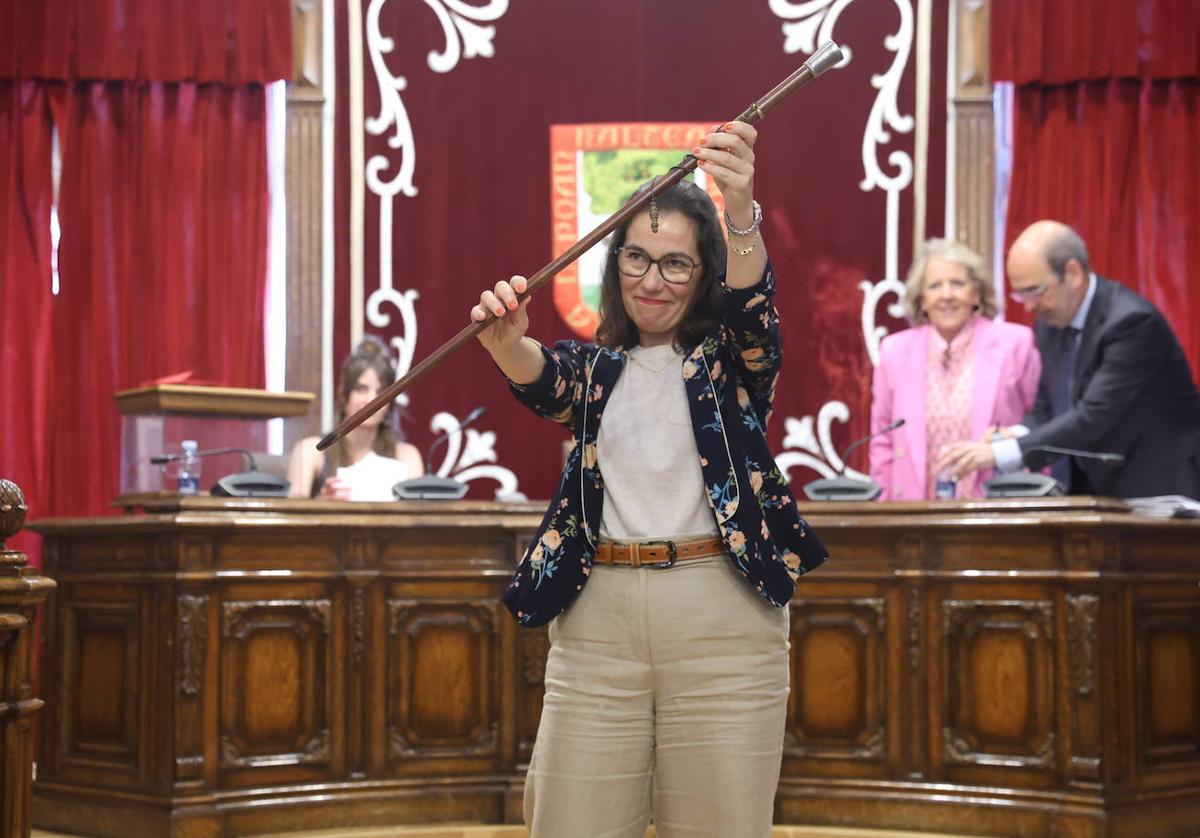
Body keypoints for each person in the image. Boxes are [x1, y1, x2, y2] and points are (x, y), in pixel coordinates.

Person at [469, 122, 828, 837]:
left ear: (704, 276)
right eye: (636, 258)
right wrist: (507, 346)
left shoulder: (729, 363)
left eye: (675, 265)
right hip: (597, 624)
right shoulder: (596, 371)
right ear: (614, 261)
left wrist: (742, 208)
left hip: (723, 617)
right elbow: (544, 378)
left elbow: (756, 323)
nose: (651, 281)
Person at [936, 220, 1200, 497]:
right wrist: (1016, 433)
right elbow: (1047, 408)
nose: (1028, 306)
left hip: (1161, 487)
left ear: (1072, 273)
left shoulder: (1131, 323)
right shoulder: (1050, 323)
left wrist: (999, 453)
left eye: (1035, 290)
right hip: (1099, 492)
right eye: (1020, 293)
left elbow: (1093, 417)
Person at [869, 239, 1040, 500]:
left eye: (958, 284)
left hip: (997, 511)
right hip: (911, 514)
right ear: (922, 299)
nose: (946, 294)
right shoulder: (894, 351)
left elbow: (1040, 425)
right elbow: (882, 440)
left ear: (976, 294)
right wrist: (882, 512)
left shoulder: (1016, 344)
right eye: (935, 285)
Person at [287, 337, 423, 500]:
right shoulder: (310, 450)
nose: (372, 400)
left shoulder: (407, 457)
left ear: (390, 404)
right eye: (361, 389)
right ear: (344, 395)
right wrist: (322, 502)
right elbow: (292, 515)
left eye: (381, 392)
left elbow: (417, 519)